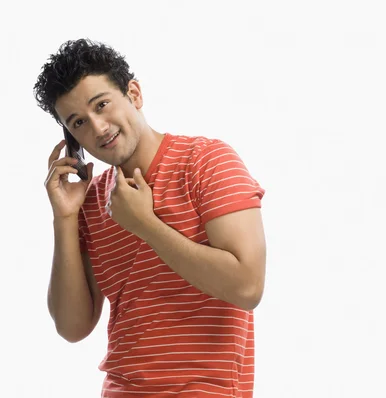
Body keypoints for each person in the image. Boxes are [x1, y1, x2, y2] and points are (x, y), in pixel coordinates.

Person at [34, 38, 267, 398]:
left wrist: (146, 225)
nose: (97, 128)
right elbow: (72, 326)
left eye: (103, 105)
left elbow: (248, 288)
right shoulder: (93, 200)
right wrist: (65, 218)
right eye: (78, 121)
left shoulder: (207, 162)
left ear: (134, 94)